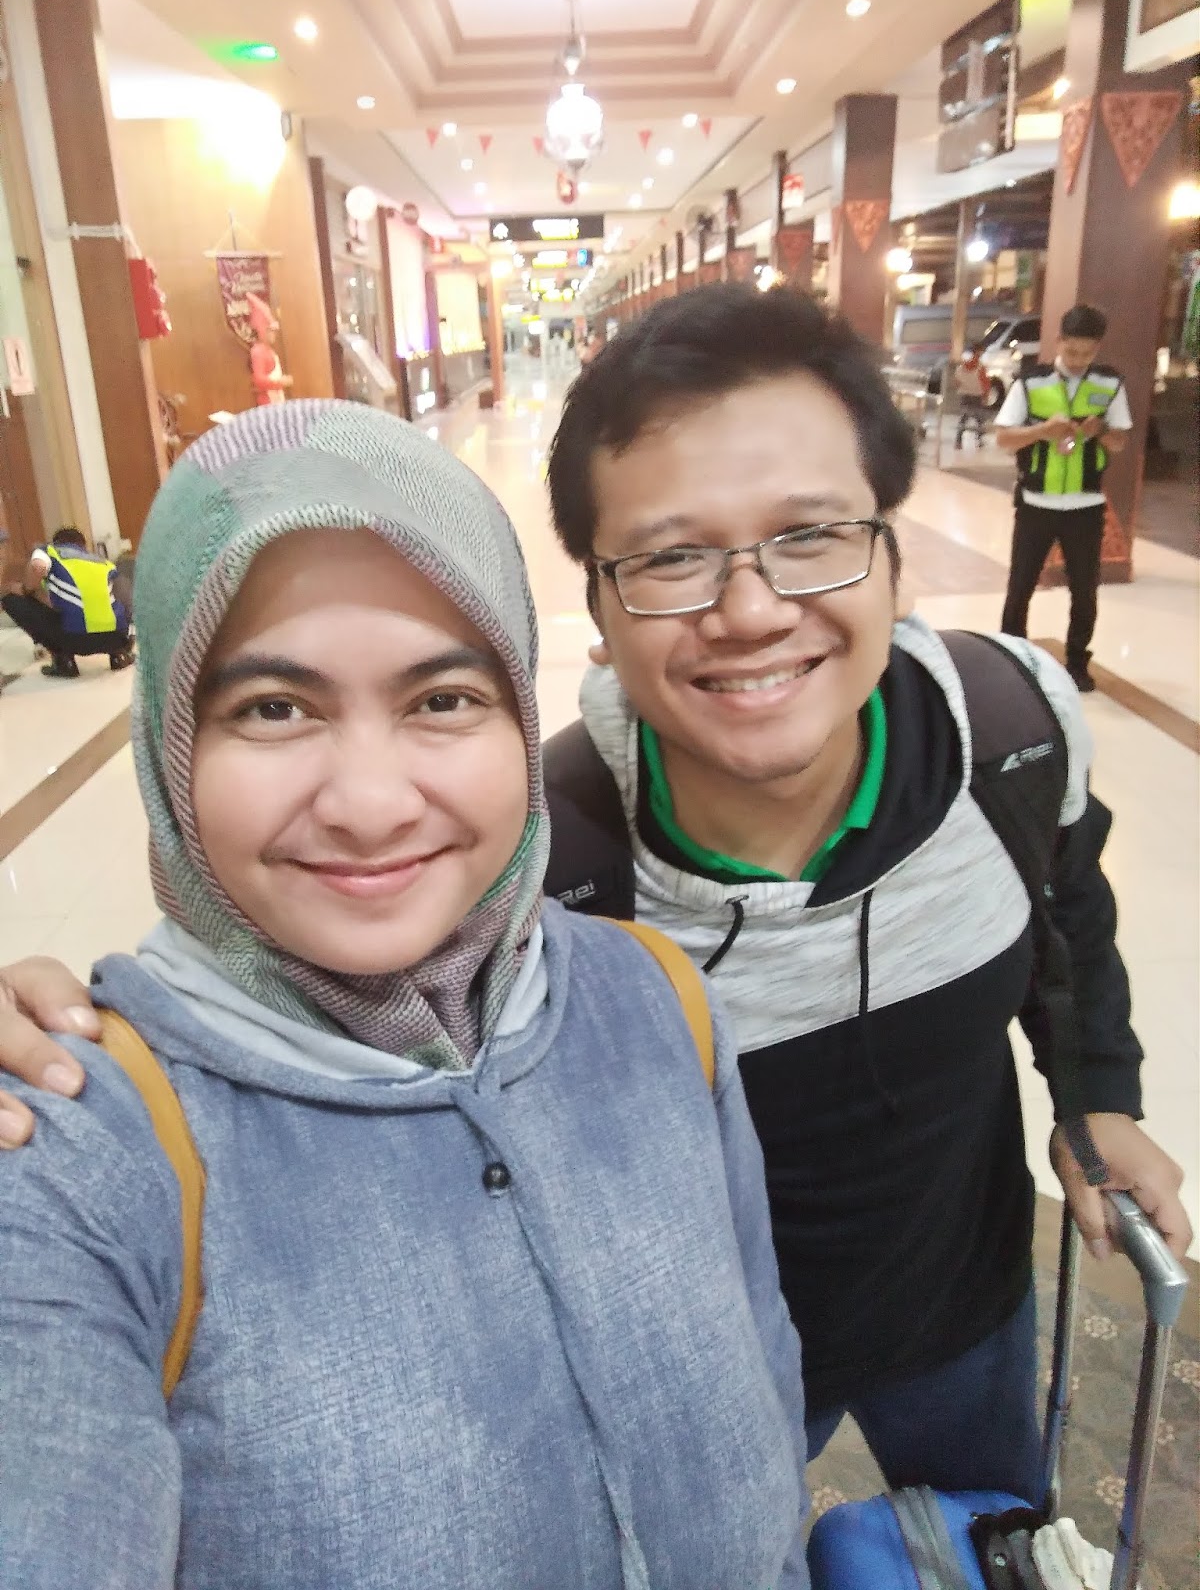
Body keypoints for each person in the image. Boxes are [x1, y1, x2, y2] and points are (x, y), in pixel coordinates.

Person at [0, 289, 1190, 1506]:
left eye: (811, 534)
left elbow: (1068, 913)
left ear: (894, 556)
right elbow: (315, 1012)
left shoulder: (1012, 733)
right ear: (599, 615)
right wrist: (61, 1044)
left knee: (1002, 1536)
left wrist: (1096, 1092)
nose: (751, 610)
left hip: (968, 1294)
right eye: (671, 557)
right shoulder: (536, 857)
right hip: (713, 1343)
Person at [0, 400, 809, 1588]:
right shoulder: (72, 1158)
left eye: (443, 699)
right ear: (171, 743)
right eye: (273, 708)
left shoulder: (654, 1002)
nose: (371, 805)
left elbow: (770, 1383)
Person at [994, 303, 1131, 693]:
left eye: (1086, 353)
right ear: (1059, 341)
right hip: (1036, 503)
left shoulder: (1109, 384)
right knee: (1020, 585)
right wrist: (1042, 431)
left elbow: (1119, 442)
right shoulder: (1031, 383)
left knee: (1085, 590)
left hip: (1085, 507)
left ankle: (1077, 662)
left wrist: (1100, 430)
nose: (1077, 359)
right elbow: (1004, 438)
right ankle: (1012, 658)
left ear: (1097, 348)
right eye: (1071, 350)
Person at [0, 526, 135, 679]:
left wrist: (25, 589)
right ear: (83, 546)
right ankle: (119, 656)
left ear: (56, 543)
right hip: (115, 638)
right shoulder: (103, 562)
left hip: (74, 639)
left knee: (10, 598)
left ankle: (64, 661)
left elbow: (38, 567)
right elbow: (127, 601)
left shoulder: (49, 551)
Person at [953, 347, 988, 448]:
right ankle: (979, 440)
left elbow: (956, 383)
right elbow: (985, 383)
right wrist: (985, 396)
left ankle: (958, 441)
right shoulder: (980, 368)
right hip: (977, 395)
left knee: (963, 418)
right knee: (979, 419)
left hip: (964, 395)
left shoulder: (959, 368)